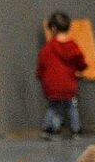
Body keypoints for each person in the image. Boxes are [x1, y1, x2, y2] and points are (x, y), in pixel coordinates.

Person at [37, 11, 87, 140]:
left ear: (53, 28)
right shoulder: (73, 47)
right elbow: (81, 62)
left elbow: (42, 64)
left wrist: (40, 76)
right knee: (72, 105)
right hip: (69, 84)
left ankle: (49, 128)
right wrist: (81, 69)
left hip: (52, 85)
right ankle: (76, 130)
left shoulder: (48, 48)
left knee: (53, 107)